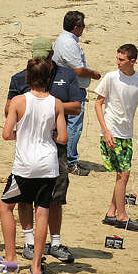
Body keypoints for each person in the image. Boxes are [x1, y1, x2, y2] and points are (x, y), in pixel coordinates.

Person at [7, 37, 81, 264]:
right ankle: (30, 243)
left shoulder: (66, 76)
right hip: (39, 147)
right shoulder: (20, 78)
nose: (42, 60)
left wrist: (45, 106)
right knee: (27, 199)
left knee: (56, 197)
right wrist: (49, 107)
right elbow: (9, 108)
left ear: (52, 55)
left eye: (46, 56)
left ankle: (55, 243)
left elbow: (76, 107)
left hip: (52, 148)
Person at [0, 56, 67, 274]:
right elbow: (63, 137)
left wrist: (23, 134)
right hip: (48, 164)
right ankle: (36, 264)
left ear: (28, 77)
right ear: (48, 78)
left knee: (5, 206)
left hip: (25, 165)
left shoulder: (19, 101)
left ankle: (11, 256)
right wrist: (47, 135)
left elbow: (7, 134)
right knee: (43, 212)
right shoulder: (56, 103)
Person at [94, 43, 138, 231]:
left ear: (132, 61)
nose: (117, 63)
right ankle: (121, 216)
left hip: (127, 133)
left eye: (121, 60)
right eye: (117, 58)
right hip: (111, 132)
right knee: (123, 174)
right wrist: (106, 131)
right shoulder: (110, 78)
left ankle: (111, 212)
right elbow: (98, 104)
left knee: (121, 175)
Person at [52, 11, 99, 176]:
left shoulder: (62, 40)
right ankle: (70, 162)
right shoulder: (68, 43)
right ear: (76, 27)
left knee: (63, 123)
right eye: (83, 26)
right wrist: (93, 74)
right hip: (72, 89)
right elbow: (79, 70)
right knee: (74, 125)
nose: (84, 29)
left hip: (63, 86)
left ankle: (63, 158)